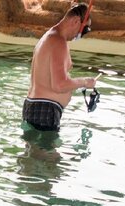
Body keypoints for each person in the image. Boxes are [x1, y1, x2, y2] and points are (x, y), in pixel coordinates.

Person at [23, 3, 99, 133]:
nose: (79, 36)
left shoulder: (49, 36)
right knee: (45, 153)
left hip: (35, 107)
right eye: (84, 30)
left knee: (35, 152)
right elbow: (59, 84)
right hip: (45, 111)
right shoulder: (59, 42)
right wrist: (85, 81)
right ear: (76, 21)